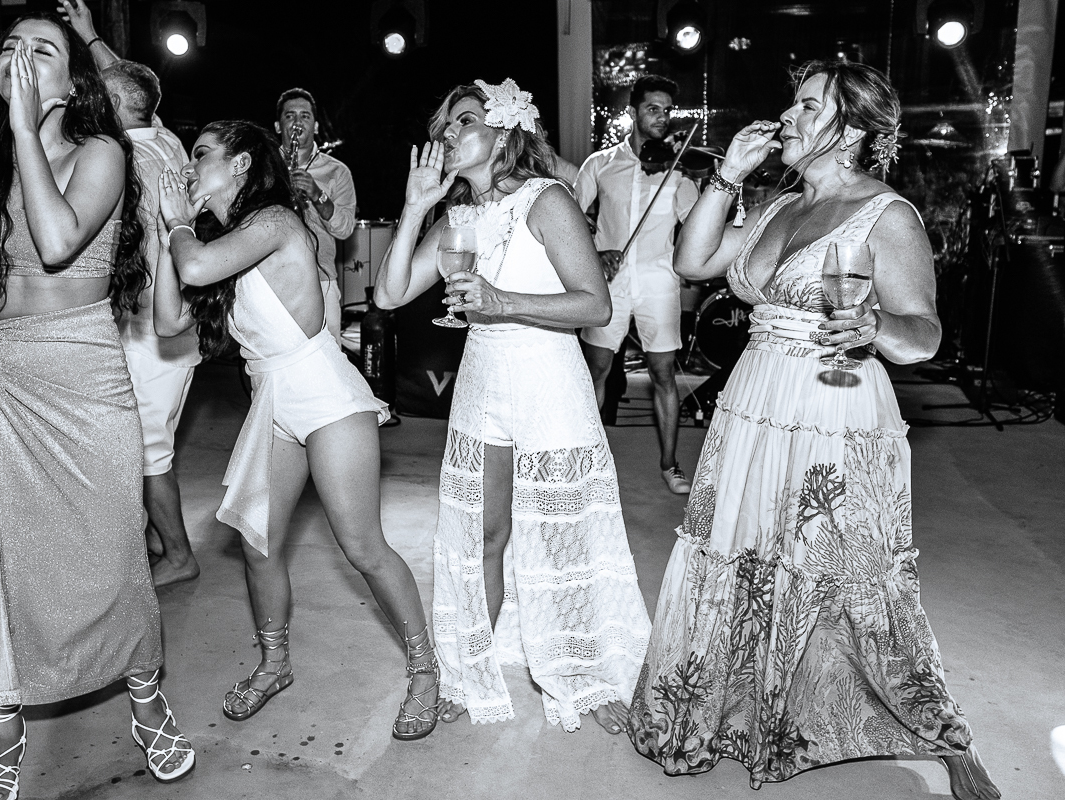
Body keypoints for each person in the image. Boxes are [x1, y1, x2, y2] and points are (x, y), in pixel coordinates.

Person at [626, 60, 1001, 800]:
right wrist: (728, 177)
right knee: (744, 551)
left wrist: (875, 326)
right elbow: (691, 261)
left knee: (839, 570)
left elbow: (924, 335)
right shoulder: (777, 205)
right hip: (754, 401)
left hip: (834, 405)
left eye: (805, 106)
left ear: (852, 129)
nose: (787, 118)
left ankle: (939, 730)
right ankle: (741, 707)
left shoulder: (886, 215)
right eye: (791, 104)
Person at [0, 14, 194, 799]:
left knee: (114, 556)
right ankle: (3, 727)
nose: (21, 60)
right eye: (9, 48)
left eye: (43, 51)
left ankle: (145, 694)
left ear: (71, 82)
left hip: (82, 370)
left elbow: (59, 239)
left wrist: (25, 130)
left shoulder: (103, 152)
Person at [374, 78, 652, 735]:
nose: (449, 132)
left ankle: (587, 674)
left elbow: (595, 305)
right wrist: (415, 209)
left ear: (505, 134)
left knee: (564, 530)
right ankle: (468, 672)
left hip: (548, 380)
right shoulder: (457, 217)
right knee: (484, 534)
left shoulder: (546, 199)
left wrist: (503, 302)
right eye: (445, 124)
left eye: (465, 120)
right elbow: (388, 295)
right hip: (483, 384)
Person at [151, 120, 439, 741]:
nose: (189, 165)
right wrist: (165, 232)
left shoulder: (276, 222)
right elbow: (169, 319)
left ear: (241, 165)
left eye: (201, 154)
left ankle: (425, 668)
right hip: (272, 403)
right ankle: (274, 662)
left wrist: (176, 226)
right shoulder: (218, 243)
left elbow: (194, 267)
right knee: (258, 545)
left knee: (361, 546)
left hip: (325, 396)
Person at [101, 60, 202, 587]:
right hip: (173, 324)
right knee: (147, 441)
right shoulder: (166, 140)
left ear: (116, 105)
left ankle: (180, 555)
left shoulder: (126, 158)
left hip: (150, 327)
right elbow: (137, 95)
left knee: (146, 451)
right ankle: (159, 538)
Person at [575, 75, 700, 495]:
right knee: (596, 370)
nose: (662, 117)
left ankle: (670, 464)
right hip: (608, 284)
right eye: (653, 109)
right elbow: (569, 219)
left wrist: (711, 188)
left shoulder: (678, 171)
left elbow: (698, 228)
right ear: (632, 112)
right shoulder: (600, 164)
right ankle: (586, 463)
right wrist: (594, 254)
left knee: (664, 373)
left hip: (659, 281)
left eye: (667, 110)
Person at [276, 87, 357, 346]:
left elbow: (345, 229)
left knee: (328, 357)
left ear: (316, 125)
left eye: (305, 116)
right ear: (278, 126)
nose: (297, 122)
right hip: (272, 279)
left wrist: (317, 194)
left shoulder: (338, 171)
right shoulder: (265, 167)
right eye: (290, 116)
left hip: (321, 280)